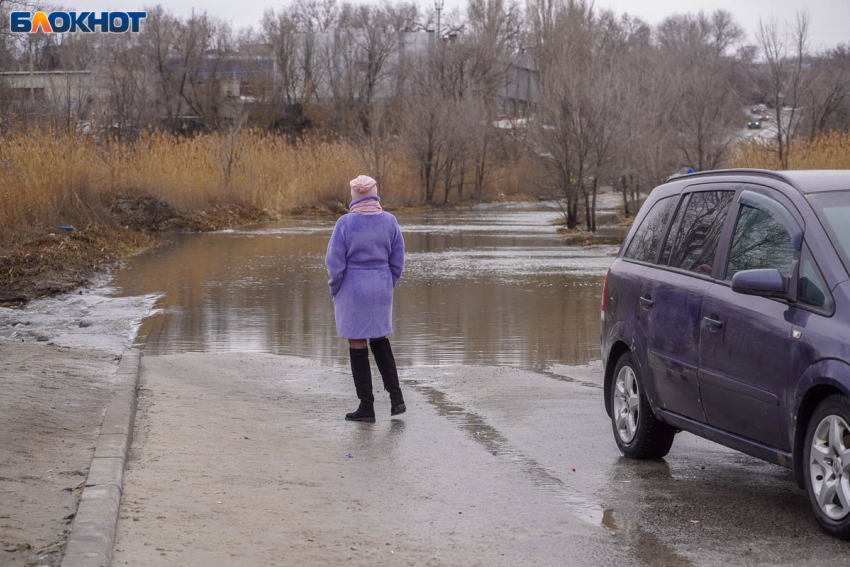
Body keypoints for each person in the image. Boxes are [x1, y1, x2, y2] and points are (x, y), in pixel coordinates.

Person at [325, 175, 406, 422]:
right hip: (381, 285)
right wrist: (387, 283)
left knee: (357, 343)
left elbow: (335, 262)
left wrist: (335, 287)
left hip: (354, 287)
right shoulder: (390, 221)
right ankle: (396, 399)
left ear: (354, 195)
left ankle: (366, 407)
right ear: (374, 193)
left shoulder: (345, 223)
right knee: (380, 339)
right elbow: (398, 260)